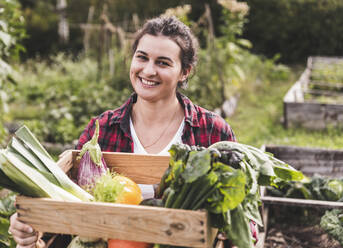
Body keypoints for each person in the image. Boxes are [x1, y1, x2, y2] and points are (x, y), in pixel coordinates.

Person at [9, 16, 250, 248]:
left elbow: (244, 215)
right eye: (142, 58)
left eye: (163, 62)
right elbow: (63, 204)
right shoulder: (102, 131)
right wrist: (28, 223)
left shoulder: (212, 131)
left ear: (185, 72)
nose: (148, 70)